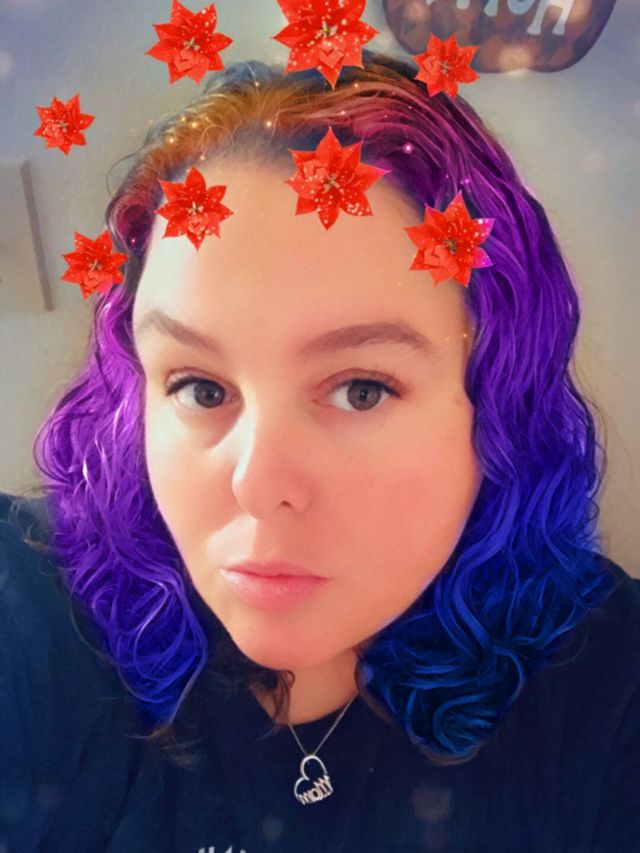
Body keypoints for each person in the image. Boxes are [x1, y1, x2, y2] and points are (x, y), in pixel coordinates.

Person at [1, 48, 639, 852]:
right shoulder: (31, 613)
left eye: (361, 389)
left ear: (498, 409)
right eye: (199, 387)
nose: (258, 483)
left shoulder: (607, 684)